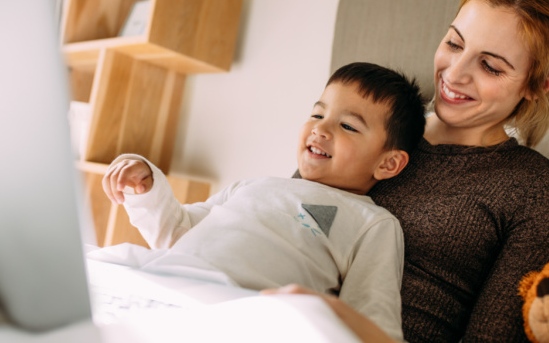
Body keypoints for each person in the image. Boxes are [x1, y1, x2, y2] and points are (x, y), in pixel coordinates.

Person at [265, 0, 549, 343]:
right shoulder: (361, 125)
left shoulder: (543, 194)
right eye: (454, 43)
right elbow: (275, 226)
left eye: (491, 67)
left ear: (541, 84)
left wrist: (335, 320)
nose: (455, 74)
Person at [102, 62, 427, 341]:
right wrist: (147, 187)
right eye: (317, 113)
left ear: (387, 163)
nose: (320, 129)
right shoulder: (253, 186)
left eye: (347, 126)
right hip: (165, 280)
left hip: (238, 311)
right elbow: (177, 233)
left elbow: (370, 321)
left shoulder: (371, 223)